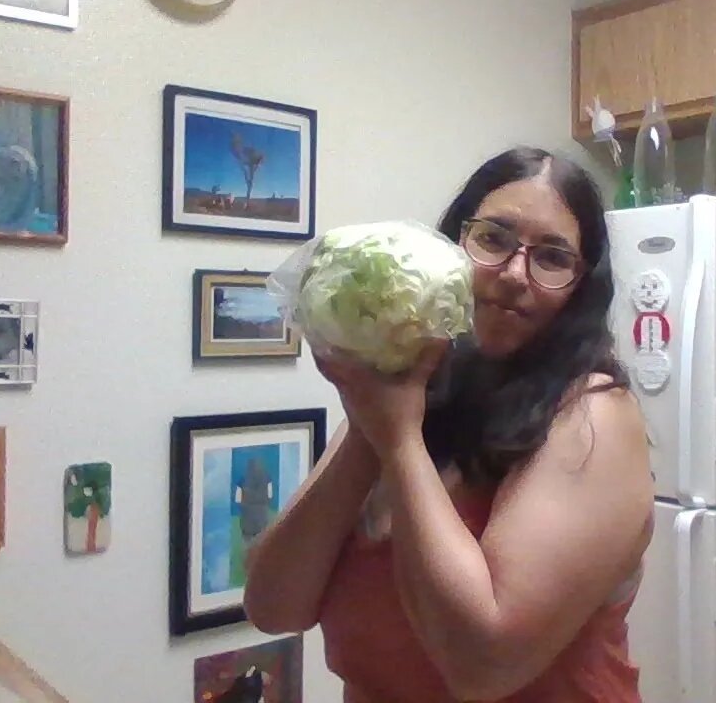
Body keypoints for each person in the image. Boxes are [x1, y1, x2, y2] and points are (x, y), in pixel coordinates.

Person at [244, 146, 653, 702]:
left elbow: (483, 666)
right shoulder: (412, 396)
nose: (514, 274)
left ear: (581, 285)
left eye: (552, 257)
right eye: (494, 238)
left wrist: (398, 438)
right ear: (452, 245)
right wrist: (371, 417)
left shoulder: (592, 417)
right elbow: (274, 606)